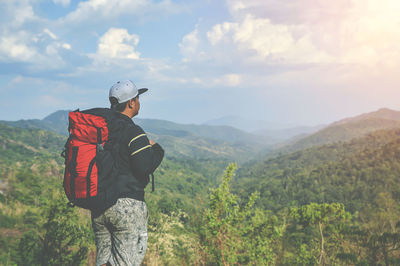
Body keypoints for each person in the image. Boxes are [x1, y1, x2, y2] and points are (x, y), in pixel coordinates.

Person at [91, 80, 164, 266]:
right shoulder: (133, 131)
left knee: (104, 262)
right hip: (127, 207)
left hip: (100, 206)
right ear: (131, 103)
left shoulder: (101, 131)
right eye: (137, 98)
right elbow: (144, 168)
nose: (139, 102)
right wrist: (157, 150)